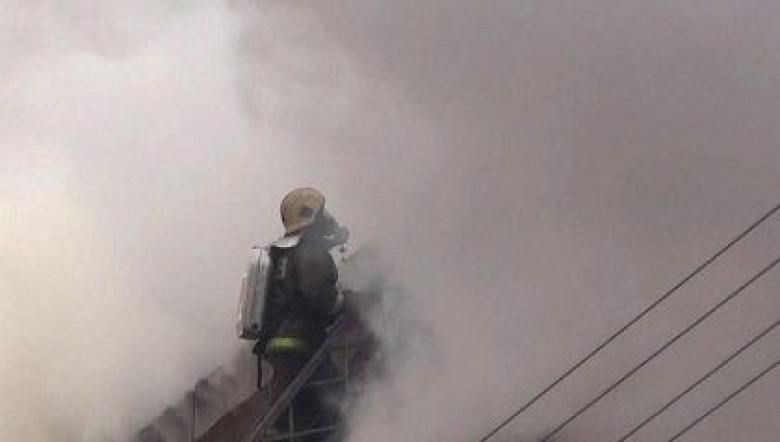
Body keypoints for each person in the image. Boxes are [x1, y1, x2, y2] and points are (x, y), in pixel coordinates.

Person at [254, 187, 348, 437]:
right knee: (333, 401)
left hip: (279, 346)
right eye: (322, 213)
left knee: (297, 414)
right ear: (311, 215)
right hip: (302, 342)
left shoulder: (280, 252)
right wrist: (348, 303)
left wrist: (334, 240)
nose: (326, 218)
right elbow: (321, 296)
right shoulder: (309, 252)